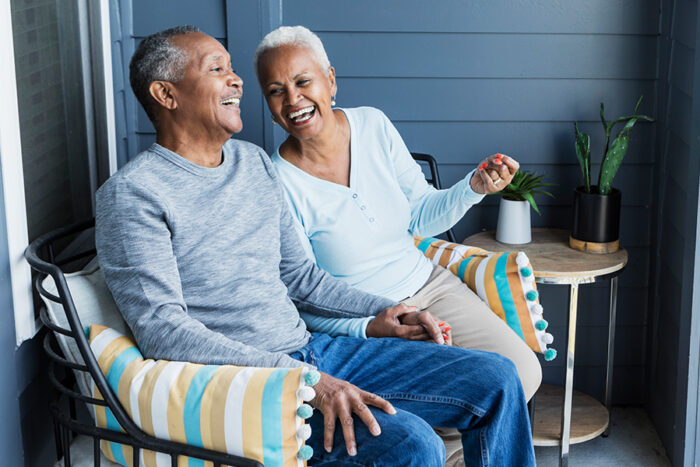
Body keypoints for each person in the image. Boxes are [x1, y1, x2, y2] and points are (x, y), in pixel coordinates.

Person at [95, 26, 536, 466]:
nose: (236, 81)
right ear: (166, 94)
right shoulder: (135, 194)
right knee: (414, 443)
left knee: (496, 377)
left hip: (312, 352)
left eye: (233, 70)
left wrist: (383, 309)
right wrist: (304, 380)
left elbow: (300, 278)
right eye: (217, 70)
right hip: (255, 385)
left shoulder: (250, 164)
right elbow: (162, 330)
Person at [254, 25, 541, 402]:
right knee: (445, 405)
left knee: (523, 373)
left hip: (431, 287)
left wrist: (473, 188)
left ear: (331, 80)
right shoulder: (277, 182)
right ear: (269, 105)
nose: (293, 99)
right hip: (368, 324)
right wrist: (372, 326)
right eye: (277, 91)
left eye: (303, 81)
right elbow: (304, 298)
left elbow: (421, 216)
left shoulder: (373, 125)